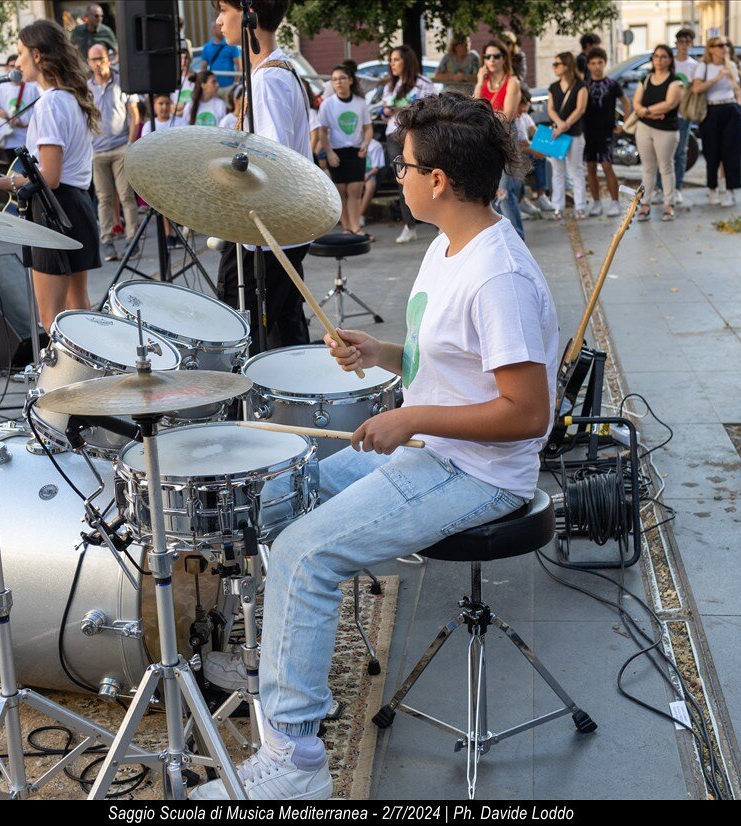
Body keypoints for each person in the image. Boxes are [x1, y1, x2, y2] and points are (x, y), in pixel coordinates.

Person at [192, 92, 559, 802]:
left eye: (407, 164)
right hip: (436, 449)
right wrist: (384, 352)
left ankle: (295, 762)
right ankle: (286, 660)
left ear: (442, 180)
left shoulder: (498, 275)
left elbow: (527, 412)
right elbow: (450, 359)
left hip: (479, 472)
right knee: (274, 499)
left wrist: (410, 418)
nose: (399, 173)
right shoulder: (450, 244)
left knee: (306, 551)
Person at [0, 19, 102, 331]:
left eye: (20, 53)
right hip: (77, 206)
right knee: (79, 308)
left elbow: (49, 178)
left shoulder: (50, 103)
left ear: (38, 55)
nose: (17, 62)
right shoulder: (71, 98)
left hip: (55, 209)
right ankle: (87, 378)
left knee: (52, 318)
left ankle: (62, 380)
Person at [211, 0, 314, 351]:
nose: (218, 20)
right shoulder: (278, 71)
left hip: (268, 232)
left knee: (242, 326)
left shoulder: (269, 79)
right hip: (280, 229)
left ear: (249, 14)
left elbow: (273, 164)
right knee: (285, 331)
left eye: (224, 10)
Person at [88, 43, 140, 261]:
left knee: (127, 195)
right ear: (88, 63)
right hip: (97, 150)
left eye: (101, 58)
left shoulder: (122, 81)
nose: (98, 64)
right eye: (93, 60)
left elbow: (134, 114)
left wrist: (130, 143)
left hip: (120, 147)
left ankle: (132, 240)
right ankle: (107, 240)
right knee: (104, 198)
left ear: (108, 59)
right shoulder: (86, 87)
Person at [378, 44, 435, 244]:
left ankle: (438, 223)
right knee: (402, 178)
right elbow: (384, 114)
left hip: (416, 134)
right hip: (394, 134)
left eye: (396, 59)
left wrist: (404, 108)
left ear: (407, 61)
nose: (392, 64)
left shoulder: (423, 84)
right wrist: (389, 109)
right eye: (391, 60)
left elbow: (430, 110)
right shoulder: (389, 86)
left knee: (425, 174)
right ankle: (408, 225)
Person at [632, 45, 684, 222]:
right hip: (644, 127)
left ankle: (669, 204)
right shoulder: (645, 79)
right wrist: (650, 113)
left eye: (663, 57)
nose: (659, 60)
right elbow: (636, 104)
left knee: (666, 166)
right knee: (648, 167)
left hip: (666, 129)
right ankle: (645, 204)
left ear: (670, 60)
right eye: (656, 56)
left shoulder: (675, 81)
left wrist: (645, 110)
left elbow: (669, 104)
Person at [319, 65, 372, 236]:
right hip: (336, 152)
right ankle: (347, 227)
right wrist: (329, 152)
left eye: (342, 78)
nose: (338, 82)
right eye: (334, 79)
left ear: (350, 80)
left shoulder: (360, 103)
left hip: (356, 152)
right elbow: (322, 132)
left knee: (355, 192)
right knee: (341, 192)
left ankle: (356, 227)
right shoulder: (327, 104)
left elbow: (367, 127)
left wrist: (365, 143)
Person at [693, 36, 741, 206]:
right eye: (720, 45)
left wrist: (740, 107)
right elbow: (696, 89)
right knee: (711, 152)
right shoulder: (704, 66)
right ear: (711, 49)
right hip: (711, 110)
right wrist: (717, 77)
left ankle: (730, 191)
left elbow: (737, 89)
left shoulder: (732, 65)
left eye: (726, 45)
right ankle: (712, 189)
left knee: (731, 152)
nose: (724, 48)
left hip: (730, 109)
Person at [583, 46, 626, 217]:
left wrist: (624, 124)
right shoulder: (584, 85)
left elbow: (626, 103)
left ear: (605, 63)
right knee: (591, 167)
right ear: (588, 65)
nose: (597, 66)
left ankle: (615, 202)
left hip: (607, 131)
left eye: (600, 62)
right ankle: (596, 202)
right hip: (588, 131)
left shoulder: (612, 84)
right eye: (593, 63)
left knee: (607, 166)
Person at [546, 51, 588, 219]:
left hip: (574, 134)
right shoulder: (553, 87)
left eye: (557, 64)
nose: (554, 67)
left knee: (576, 169)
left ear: (567, 66)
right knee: (557, 171)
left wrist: (565, 125)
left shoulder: (580, 86)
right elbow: (550, 108)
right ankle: (557, 206)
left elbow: (580, 109)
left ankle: (580, 206)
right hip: (558, 134)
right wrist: (560, 123)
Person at [0, 54, 41, 174]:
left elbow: (38, 113)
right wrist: (0, 113)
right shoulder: (2, 88)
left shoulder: (32, 88)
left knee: (31, 173)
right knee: (13, 173)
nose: (14, 69)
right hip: (9, 140)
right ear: (6, 68)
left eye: (17, 66)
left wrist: (22, 124)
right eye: (11, 66)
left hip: (28, 139)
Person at [670, 29, 698, 204]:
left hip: (684, 113)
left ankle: (677, 188)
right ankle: (661, 187)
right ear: (676, 44)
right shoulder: (669, 63)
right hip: (668, 114)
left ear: (691, 44)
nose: (684, 45)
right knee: (664, 153)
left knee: (681, 152)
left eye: (687, 41)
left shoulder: (694, 66)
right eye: (681, 41)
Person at [476, 39, 523, 121]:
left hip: (505, 131)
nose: (492, 60)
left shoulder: (512, 82)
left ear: (504, 59)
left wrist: (481, 114)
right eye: (487, 56)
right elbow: (473, 108)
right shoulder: (483, 81)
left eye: (496, 56)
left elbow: (507, 117)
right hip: (485, 131)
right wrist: (479, 83)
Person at [201, 21, 241, 92]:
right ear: (213, 30)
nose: (222, 29)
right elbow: (203, 68)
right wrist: (206, 85)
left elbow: (239, 66)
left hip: (229, 87)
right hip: (213, 87)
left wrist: (235, 84)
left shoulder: (231, 45)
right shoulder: (207, 47)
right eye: (219, 28)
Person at [358, 135, 385, 226]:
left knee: (370, 187)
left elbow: (375, 168)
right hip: (357, 171)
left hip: (369, 171)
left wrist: (367, 175)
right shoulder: (354, 144)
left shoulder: (375, 145)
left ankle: (359, 215)